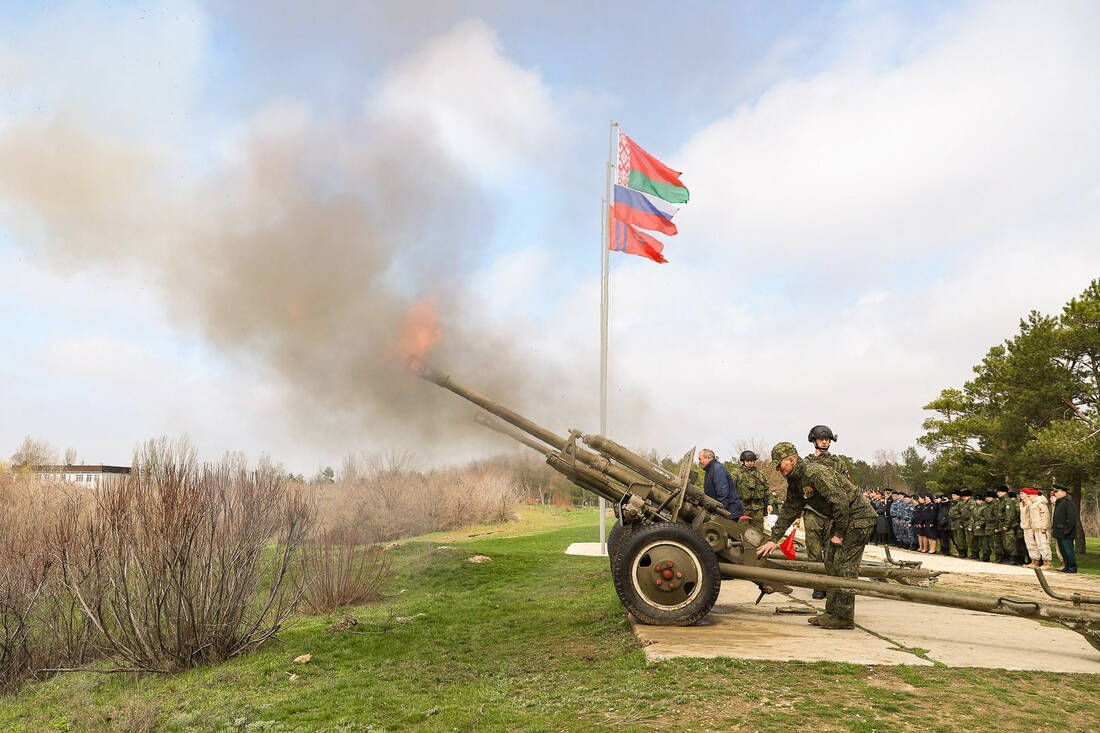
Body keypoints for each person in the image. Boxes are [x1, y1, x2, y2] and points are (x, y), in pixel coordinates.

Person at [756, 441, 877, 630]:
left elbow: (840, 502)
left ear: (792, 460)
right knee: (831, 563)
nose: (778, 469)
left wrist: (839, 533)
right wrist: (774, 539)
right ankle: (832, 613)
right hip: (843, 519)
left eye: (780, 465)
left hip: (858, 518)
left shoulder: (814, 473)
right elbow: (789, 509)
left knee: (844, 566)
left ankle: (844, 617)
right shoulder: (796, 480)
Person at [803, 425, 845, 599]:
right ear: (814, 441)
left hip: (832, 513)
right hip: (812, 511)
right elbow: (801, 486)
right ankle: (818, 586)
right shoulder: (806, 462)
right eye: (821, 439)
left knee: (830, 552)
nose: (824, 442)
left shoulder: (838, 463)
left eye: (827, 439)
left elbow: (846, 486)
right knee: (814, 552)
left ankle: (829, 584)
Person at [697, 449, 744, 518]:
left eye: (700, 459)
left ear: (708, 458)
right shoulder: (710, 470)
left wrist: (721, 513)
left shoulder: (717, 469)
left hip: (730, 512)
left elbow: (722, 493)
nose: (699, 462)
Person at [733, 450, 770, 535]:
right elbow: (731, 489)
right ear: (743, 461)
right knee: (742, 530)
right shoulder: (737, 474)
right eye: (747, 461)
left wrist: (769, 503)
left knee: (758, 531)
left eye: (752, 461)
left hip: (758, 509)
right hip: (743, 508)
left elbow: (767, 490)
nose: (750, 463)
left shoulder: (760, 474)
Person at [1019, 489, 1053, 568]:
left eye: (1029, 496)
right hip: (1034, 527)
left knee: (1044, 545)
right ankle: (1034, 561)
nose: (1028, 497)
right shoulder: (1032, 504)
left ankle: (1047, 563)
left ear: (1035, 495)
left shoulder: (1040, 503)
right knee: (1034, 545)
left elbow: (1045, 516)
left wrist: (1044, 527)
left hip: (1040, 527)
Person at [1051, 485, 1078, 573]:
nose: (1055, 493)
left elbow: (1071, 518)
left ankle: (1072, 567)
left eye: (1057, 491)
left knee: (1068, 550)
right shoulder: (1059, 502)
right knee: (1063, 551)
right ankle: (1067, 566)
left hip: (1066, 532)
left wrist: (1067, 530)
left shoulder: (1068, 502)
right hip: (1059, 531)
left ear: (1063, 492)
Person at [949, 490, 968, 558]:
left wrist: (961, 523)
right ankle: (959, 551)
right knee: (956, 538)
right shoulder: (954, 503)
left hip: (958, 522)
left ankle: (963, 552)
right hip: (953, 523)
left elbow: (963, 514)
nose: (953, 496)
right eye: (952, 495)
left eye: (954, 495)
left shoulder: (961, 503)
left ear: (958, 496)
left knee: (960, 538)